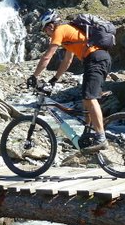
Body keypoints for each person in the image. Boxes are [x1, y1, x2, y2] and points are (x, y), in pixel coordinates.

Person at [27, 9, 111, 151]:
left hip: (95, 59)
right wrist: (54, 79)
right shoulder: (69, 33)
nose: (47, 34)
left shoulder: (60, 30)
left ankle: (101, 138)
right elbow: (67, 61)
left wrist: (34, 76)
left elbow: (47, 56)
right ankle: (88, 133)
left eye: (45, 30)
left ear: (50, 26)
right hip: (97, 59)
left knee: (90, 98)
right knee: (86, 99)